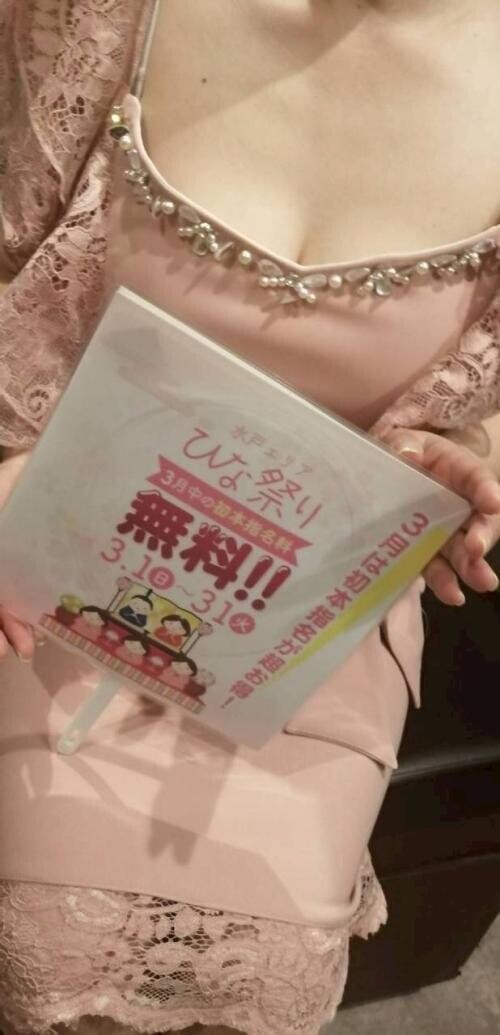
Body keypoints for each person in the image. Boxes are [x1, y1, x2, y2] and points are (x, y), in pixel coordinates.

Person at [1, 2, 500, 1034]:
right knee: (44, 923)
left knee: (266, 950)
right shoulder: (100, 16)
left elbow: (471, 413)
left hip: (306, 610)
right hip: (57, 541)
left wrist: (451, 468)